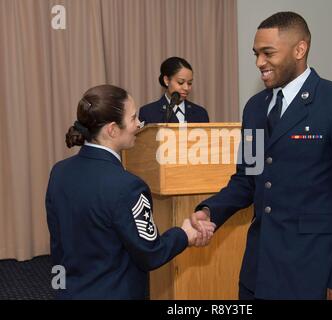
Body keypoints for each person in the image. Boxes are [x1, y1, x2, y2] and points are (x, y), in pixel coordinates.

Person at [191, 12, 332, 300]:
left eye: (268, 53)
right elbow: (248, 178)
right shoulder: (255, 108)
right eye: (256, 54)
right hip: (259, 267)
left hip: (313, 269)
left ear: (299, 49)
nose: (259, 63)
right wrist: (210, 211)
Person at [46, 84, 215, 299]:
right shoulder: (128, 186)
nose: (140, 124)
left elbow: (58, 244)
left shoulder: (59, 172)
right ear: (112, 129)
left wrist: (60, 289)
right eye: (134, 118)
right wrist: (184, 234)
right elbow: (151, 254)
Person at [139, 57, 209, 124]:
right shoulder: (148, 112)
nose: (186, 88)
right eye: (180, 82)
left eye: (189, 83)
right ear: (166, 80)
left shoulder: (201, 113)